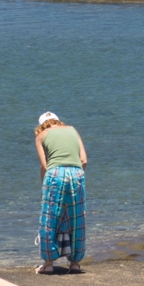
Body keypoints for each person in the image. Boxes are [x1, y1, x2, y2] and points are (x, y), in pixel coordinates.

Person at [34, 111, 87, 275]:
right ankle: (75, 263)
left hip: (55, 174)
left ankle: (48, 263)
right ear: (57, 121)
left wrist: (45, 183)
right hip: (76, 173)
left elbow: (45, 165)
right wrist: (74, 175)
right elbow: (84, 160)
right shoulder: (72, 130)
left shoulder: (41, 136)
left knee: (50, 219)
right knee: (76, 218)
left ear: (42, 124)